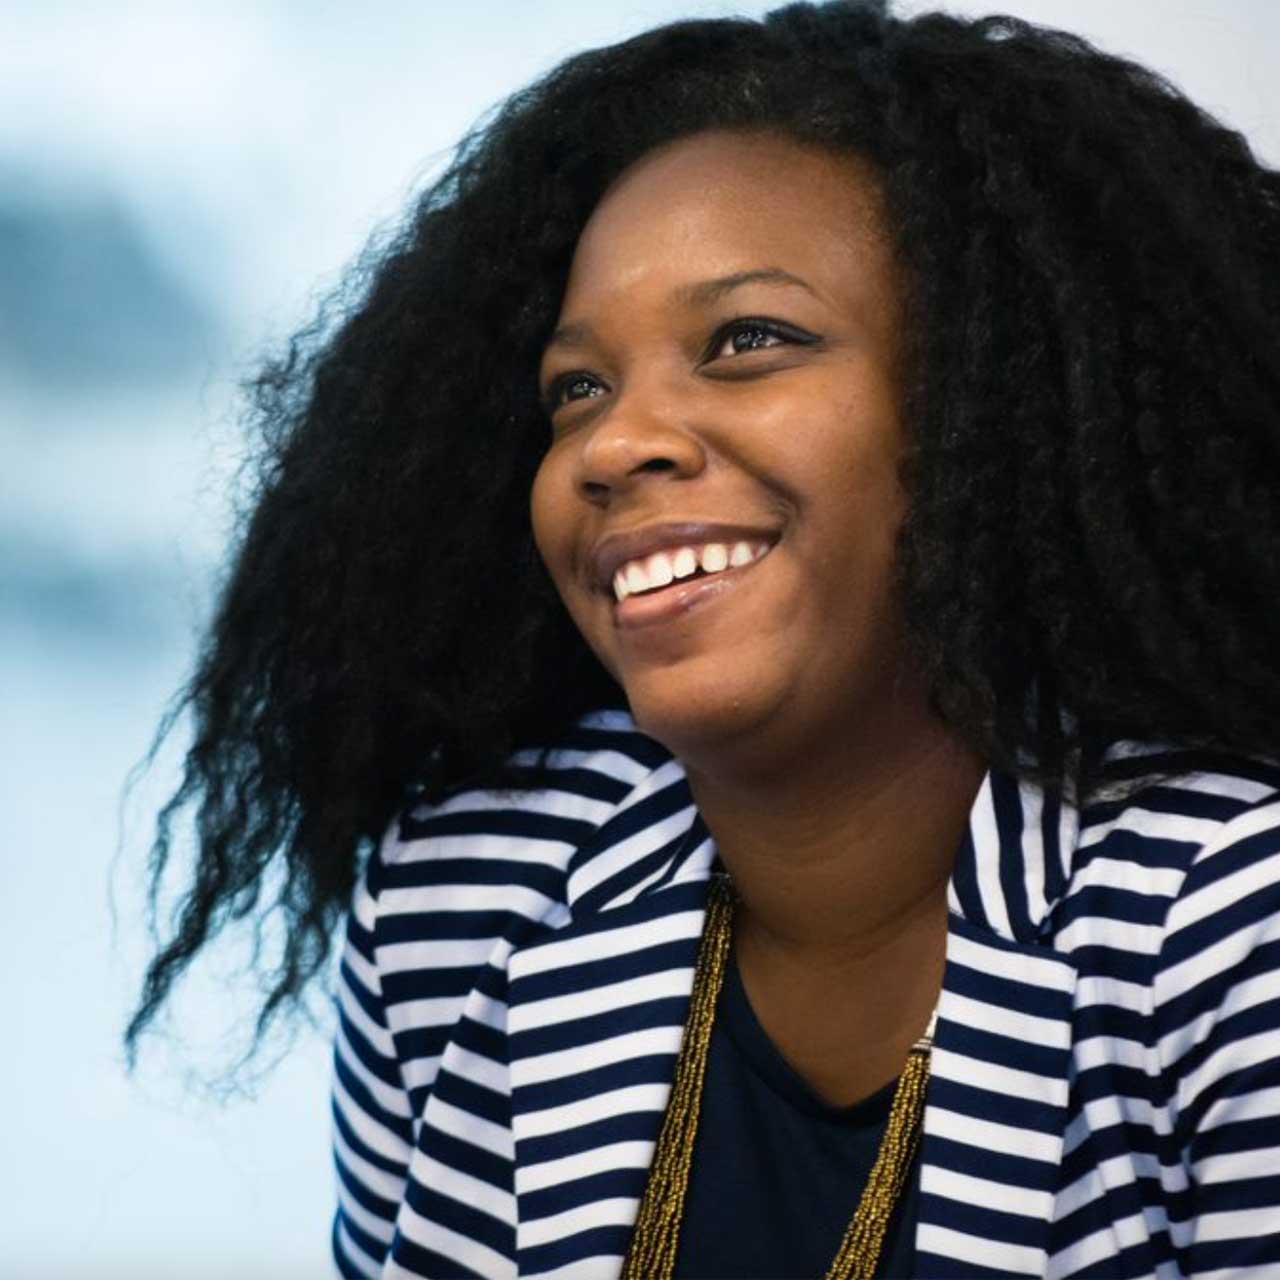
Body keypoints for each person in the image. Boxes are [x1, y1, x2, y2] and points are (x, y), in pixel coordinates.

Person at [125, 1, 1280, 1276]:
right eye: (577, 389)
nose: (614, 444)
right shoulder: (464, 895)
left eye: (746, 341)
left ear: (993, 403)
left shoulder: (1226, 932)